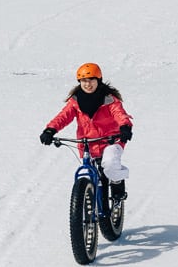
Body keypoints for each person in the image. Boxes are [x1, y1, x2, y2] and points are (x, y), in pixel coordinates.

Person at [39, 62, 133, 203]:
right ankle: (86, 205)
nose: (87, 84)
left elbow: (120, 114)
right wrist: (50, 130)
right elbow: (63, 116)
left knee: (110, 163)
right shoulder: (75, 101)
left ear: (98, 81)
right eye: (84, 81)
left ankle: (117, 184)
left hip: (111, 141)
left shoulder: (109, 100)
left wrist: (125, 127)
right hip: (87, 144)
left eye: (91, 80)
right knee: (88, 174)